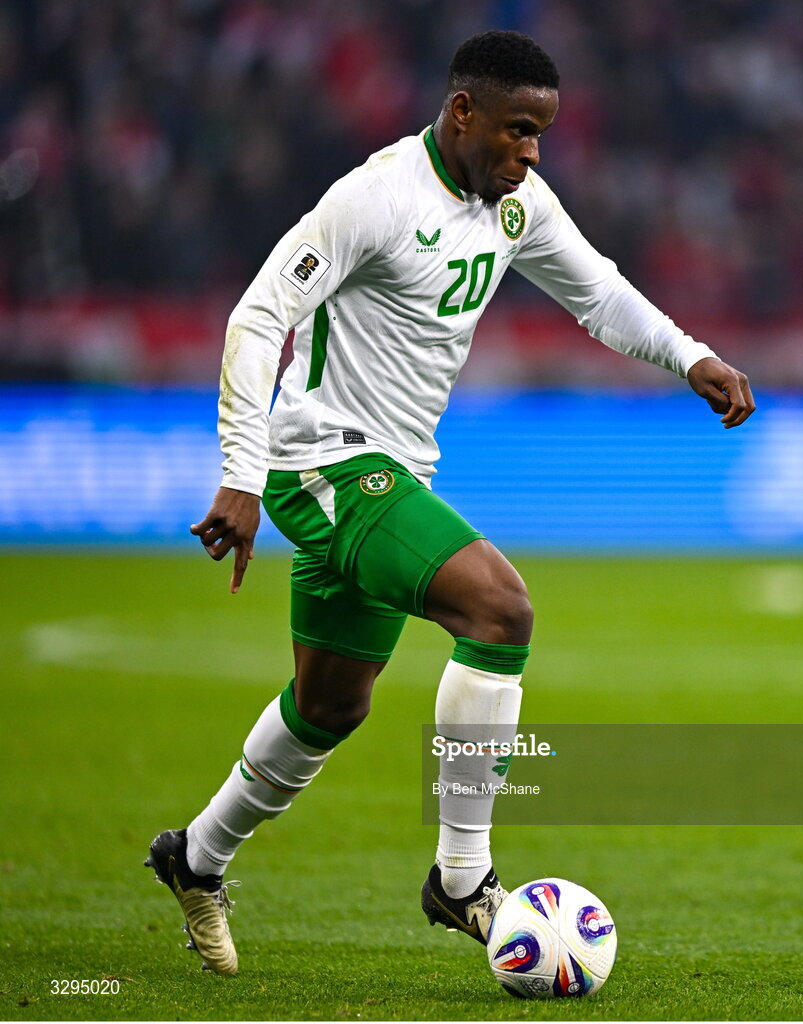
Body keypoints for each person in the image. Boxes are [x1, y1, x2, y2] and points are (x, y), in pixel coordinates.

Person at [145, 29, 754, 975]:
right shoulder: (373, 198)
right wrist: (240, 468)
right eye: (517, 131)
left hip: (397, 472)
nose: (531, 153)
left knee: (328, 705)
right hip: (326, 467)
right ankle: (462, 876)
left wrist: (690, 355)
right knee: (499, 609)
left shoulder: (516, 205)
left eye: (541, 135)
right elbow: (259, 314)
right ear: (461, 113)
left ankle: (194, 857)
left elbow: (597, 292)